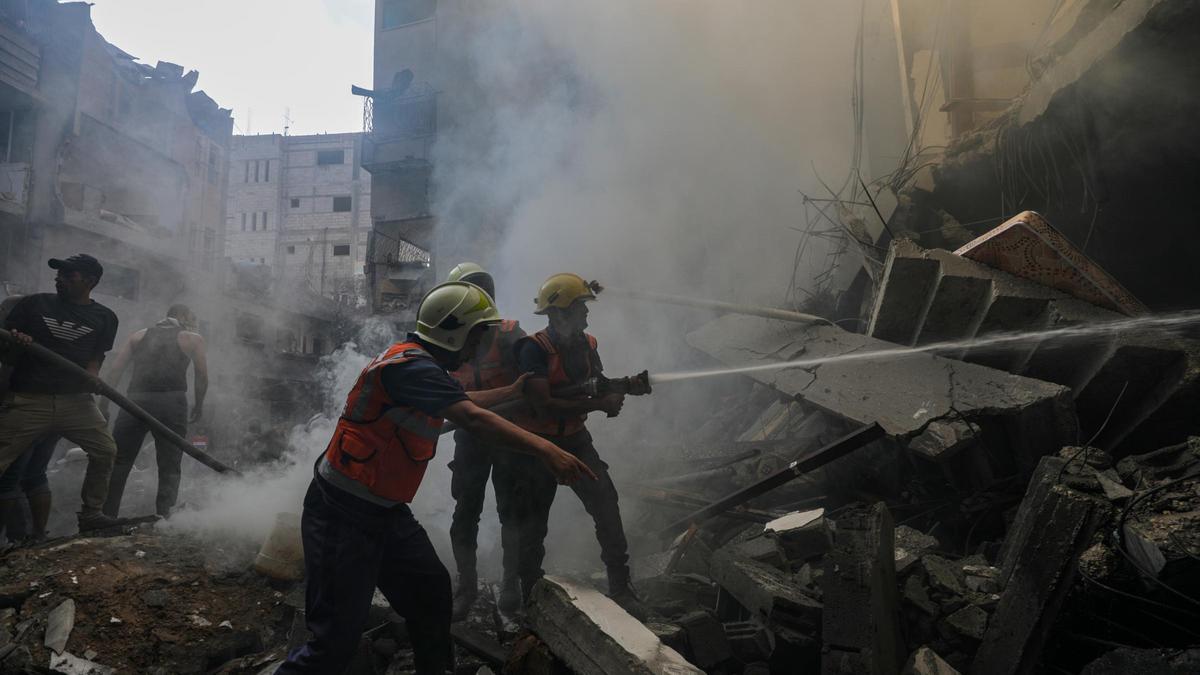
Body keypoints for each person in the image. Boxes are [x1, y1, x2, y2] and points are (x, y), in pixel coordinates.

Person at [276, 281, 595, 675]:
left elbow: (465, 401)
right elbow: (471, 417)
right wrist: (546, 449)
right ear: (454, 330)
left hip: (385, 513)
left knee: (430, 593)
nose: (480, 346)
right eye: (478, 335)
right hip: (344, 515)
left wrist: (511, 390)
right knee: (333, 644)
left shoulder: (424, 365)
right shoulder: (412, 368)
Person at [513, 273, 647, 618]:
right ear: (558, 314)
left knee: (605, 501)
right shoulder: (533, 349)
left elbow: (597, 385)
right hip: (538, 446)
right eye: (580, 309)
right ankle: (529, 594)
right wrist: (599, 405)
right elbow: (543, 404)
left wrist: (618, 390)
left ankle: (620, 586)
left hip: (575, 439)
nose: (587, 316)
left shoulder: (588, 345)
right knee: (531, 523)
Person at [0, 254, 121, 532]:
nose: (60, 278)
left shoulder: (105, 317)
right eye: (59, 274)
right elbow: (4, 351)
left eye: (69, 275)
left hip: (75, 402)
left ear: (90, 281)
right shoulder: (34, 304)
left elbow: (96, 355)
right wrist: (19, 342)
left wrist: (92, 374)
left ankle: (91, 514)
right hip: (30, 399)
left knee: (106, 451)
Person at [443, 263, 528, 618]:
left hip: (507, 435)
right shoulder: (447, 342)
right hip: (470, 436)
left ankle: (512, 582)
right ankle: (466, 586)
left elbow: (531, 385)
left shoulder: (511, 334)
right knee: (465, 513)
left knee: (512, 512)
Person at [100, 304, 208, 518]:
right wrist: (199, 403)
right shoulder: (192, 339)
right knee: (169, 463)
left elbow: (114, 371)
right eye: (190, 318)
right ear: (182, 317)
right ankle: (164, 518)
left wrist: (104, 404)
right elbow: (202, 376)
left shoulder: (137, 336)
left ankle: (106, 516)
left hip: (135, 402)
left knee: (120, 461)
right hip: (172, 403)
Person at [0, 294, 59, 545]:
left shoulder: (17, 341)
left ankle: (18, 537)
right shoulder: (45, 338)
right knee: (34, 474)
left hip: (26, 413)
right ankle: (34, 536)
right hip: (54, 412)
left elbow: (7, 379)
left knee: (10, 477)